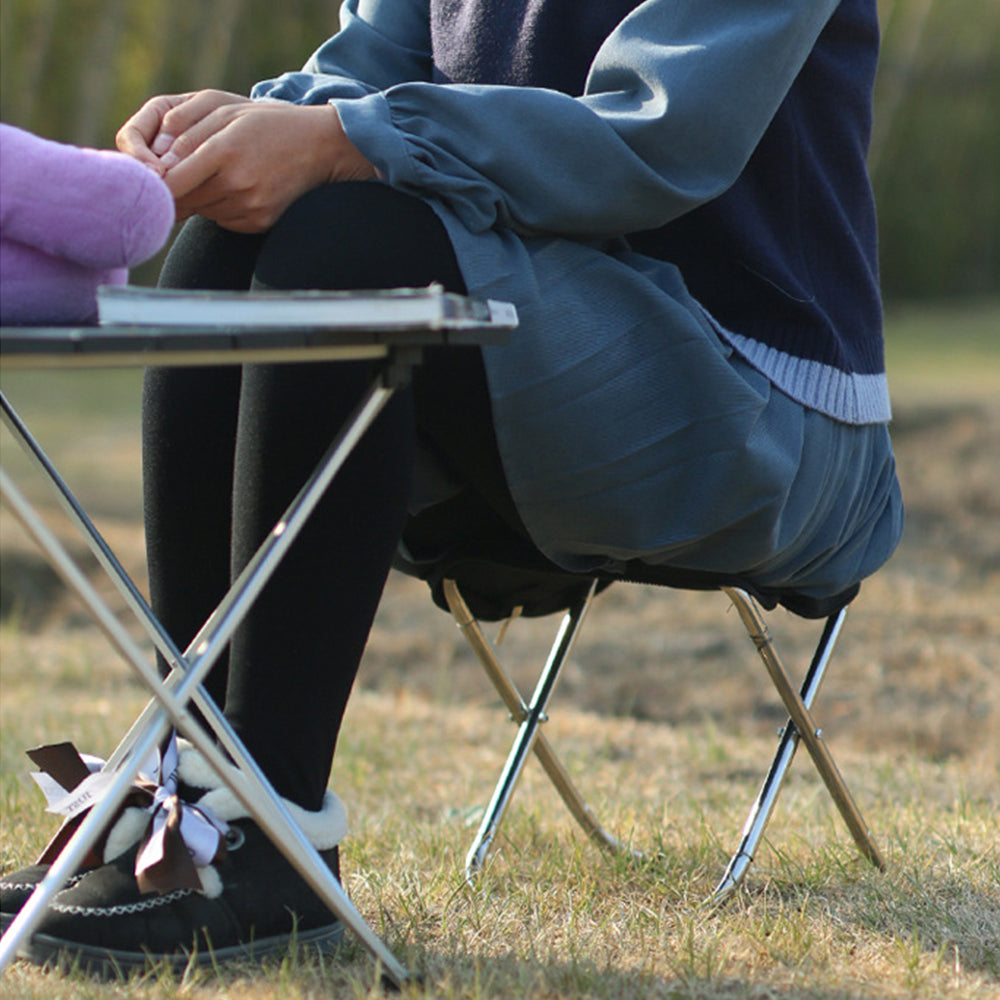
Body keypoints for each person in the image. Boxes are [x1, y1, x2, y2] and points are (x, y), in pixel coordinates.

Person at [1, 0, 904, 973]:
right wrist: (223, 137)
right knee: (225, 244)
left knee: (344, 250)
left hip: (767, 416)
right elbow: (358, 80)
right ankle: (198, 797)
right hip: (540, 359)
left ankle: (275, 841)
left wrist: (340, 139)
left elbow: (656, 132)